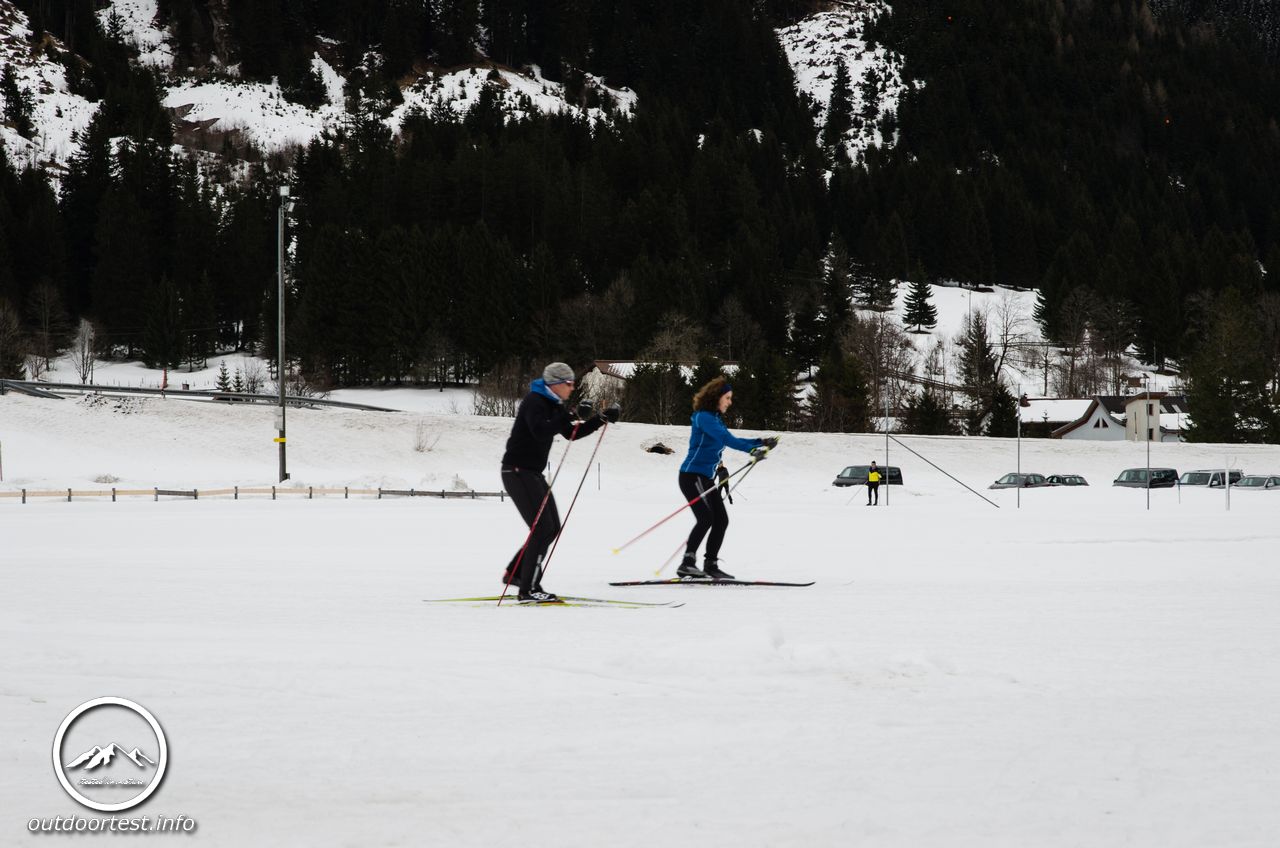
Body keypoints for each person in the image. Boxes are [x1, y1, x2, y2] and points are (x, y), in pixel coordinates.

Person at [501, 362, 619, 602]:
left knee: (552, 527)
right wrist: (571, 414)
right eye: (569, 383)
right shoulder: (535, 401)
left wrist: (600, 419)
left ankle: (516, 574)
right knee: (542, 529)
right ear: (555, 384)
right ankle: (529, 589)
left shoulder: (554, 404)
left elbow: (570, 433)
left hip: (531, 473)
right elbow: (540, 430)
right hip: (517, 470)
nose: (572, 387)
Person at [677, 376, 778, 580]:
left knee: (721, 520)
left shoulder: (715, 420)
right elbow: (725, 439)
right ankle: (687, 563)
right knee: (706, 518)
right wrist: (752, 450)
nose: (730, 402)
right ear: (717, 397)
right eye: (728, 398)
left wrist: (760, 442)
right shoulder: (703, 417)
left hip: (705, 478)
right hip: (692, 475)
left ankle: (711, 565)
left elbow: (732, 438)